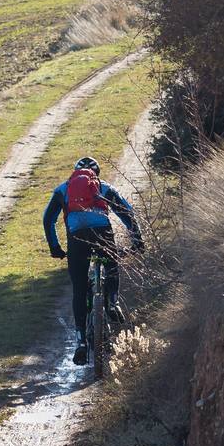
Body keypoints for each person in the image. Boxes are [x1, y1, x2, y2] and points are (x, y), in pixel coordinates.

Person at [43, 156, 144, 366]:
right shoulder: (104, 187)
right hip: (102, 233)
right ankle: (113, 303)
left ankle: (80, 340)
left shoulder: (63, 189)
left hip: (77, 238)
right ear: (96, 173)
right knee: (111, 264)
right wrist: (137, 241)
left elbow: (48, 219)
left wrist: (55, 248)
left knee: (79, 289)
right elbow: (126, 212)